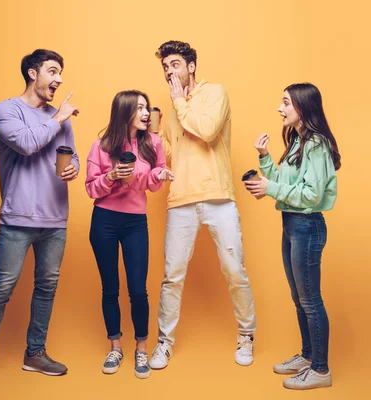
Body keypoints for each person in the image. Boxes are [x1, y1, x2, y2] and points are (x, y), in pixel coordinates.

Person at [0, 49, 80, 398]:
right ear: (33, 73)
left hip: (55, 218)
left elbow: (69, 154)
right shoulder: (6, 111)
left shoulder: (61, 119)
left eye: (60, 72)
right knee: (1, 290)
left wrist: (74, 166)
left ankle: (35, 353)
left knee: (47, 288)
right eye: (52, 71)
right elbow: (28, 144)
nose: (58, 79)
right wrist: (59, 118)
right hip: (17, 217)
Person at [149, 40, 257, 370]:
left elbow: (207, 131)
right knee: (172, 276)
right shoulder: (171, 111)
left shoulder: (215, 93)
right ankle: (165, 342)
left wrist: (180, 103)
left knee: (234, 270)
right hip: (180, 200)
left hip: (218, 197)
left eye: (175, 64)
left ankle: (246, 334)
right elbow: (167, 154)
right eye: (166, 66)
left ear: (191, 66)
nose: (170, 71)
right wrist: (154, 131)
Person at [245, 82, 341, 390]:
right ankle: (309, 355)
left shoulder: (317, 145)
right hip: (291, 224)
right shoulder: (300, 143)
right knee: (300, 299)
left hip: (307, 226)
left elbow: (311, 195)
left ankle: (321, 370)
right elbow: (282, 181)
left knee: (310, 300)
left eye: (285, 102)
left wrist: (270, 189)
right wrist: (263, 157)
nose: (280, 108)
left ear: (302, 107)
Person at [86, 90, 173, 379]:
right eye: (139, 108)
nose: (146, 113)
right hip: (105, 220)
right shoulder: (101, 145)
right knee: (110, 287)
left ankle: (140, 348)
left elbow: (152, 183)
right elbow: (90, 189)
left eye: (147, 107)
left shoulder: (154, 143)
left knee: (138, 288)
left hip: (136, 221)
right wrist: (111, 177)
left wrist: (158, 176)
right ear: (124, 113)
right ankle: (115, 346)